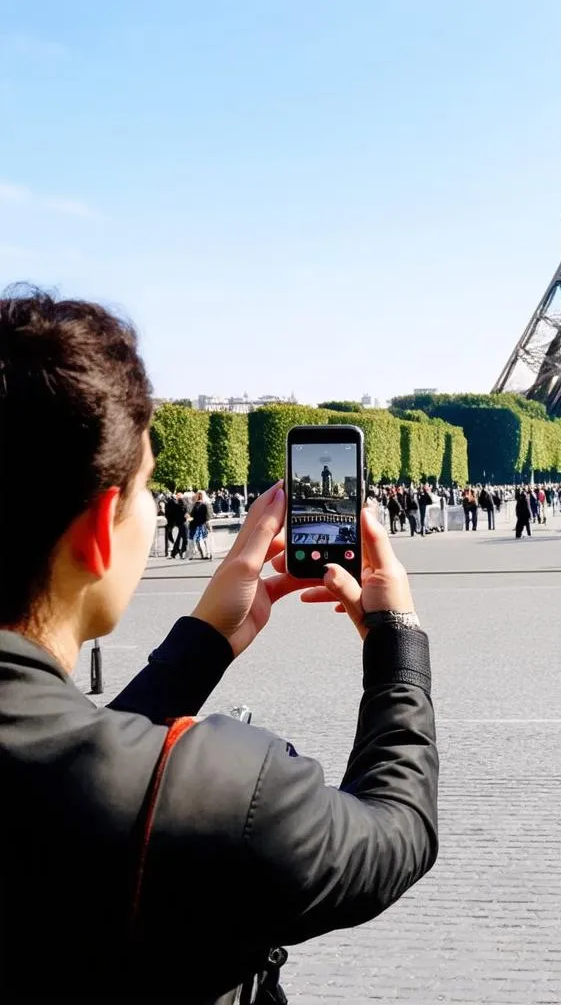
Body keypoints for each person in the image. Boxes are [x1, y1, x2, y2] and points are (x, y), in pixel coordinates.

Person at [0, 288, 438, 1004]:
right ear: (103, 526)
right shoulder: (230, 799)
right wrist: (399, 649)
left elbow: (65, 759)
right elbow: (397, 833)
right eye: (148, 486)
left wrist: (199, 647)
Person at [190, 489, 212, 560]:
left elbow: (208, 516)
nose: (199, 496)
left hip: (202, 524)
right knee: (200, 540)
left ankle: (207, 553)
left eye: (200, 495)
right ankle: (204, 554)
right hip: (198, 524)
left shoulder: (205, 504)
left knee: (204, 539)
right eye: (198, 495)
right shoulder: (196, 505)